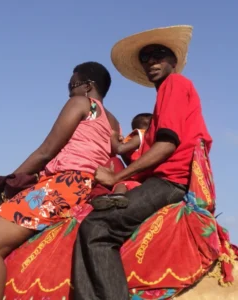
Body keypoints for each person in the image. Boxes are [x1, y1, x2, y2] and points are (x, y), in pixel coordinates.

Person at [72, 25, 213, 300]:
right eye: (145, 58)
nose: (151, 62)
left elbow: (166, 145)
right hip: (160, 179)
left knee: (97, 228)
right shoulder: (165, 95)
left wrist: (114, 178)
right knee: (90, 222)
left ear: (173, 61)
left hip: (169, 180)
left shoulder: (174, 84)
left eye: (158, 55)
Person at [0, 61, 121, 300]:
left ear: (88, 86)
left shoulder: (81, 103)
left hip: (64, 184)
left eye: (72, 85)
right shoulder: (112, 121)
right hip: (85, 186)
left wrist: (9, 182)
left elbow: (46, 150)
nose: (69, 91)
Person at [91, 113, 152, 210]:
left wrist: (113, 138)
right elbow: (124, 154)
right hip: (142, 178)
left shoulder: (142, 137)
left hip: (138, 177)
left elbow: (120, 149)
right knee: (123, 181)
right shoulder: (145, 138)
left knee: (118, 173)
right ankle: (117, 196)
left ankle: (110, 196)